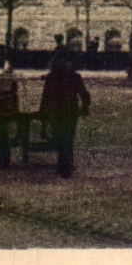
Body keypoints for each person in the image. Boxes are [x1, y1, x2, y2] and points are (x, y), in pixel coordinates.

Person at [38, 49, 91, 178]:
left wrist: (84, 107)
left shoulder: (67, 77)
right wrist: (84, 108)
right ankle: (64, 164)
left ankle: (64, 164)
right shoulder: (65, 77)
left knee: (65, 138)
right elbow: (45, 96)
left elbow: (84, 94)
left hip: (65, 112)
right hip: (62, 111)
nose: (66, 64)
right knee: (64, 138)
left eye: (67, 61)